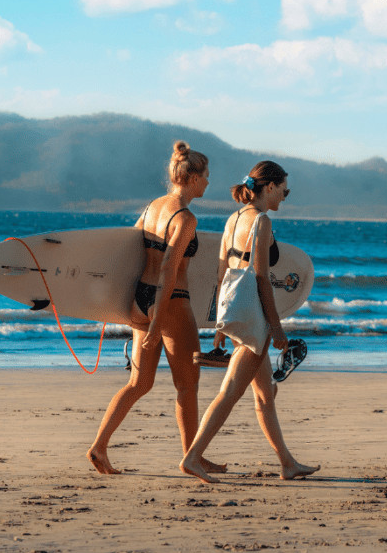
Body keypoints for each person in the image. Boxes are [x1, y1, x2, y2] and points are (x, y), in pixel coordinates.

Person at [87, 141, 223, 475]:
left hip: (140, 298)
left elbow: (128, 249)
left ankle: (99, 447)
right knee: (187, 385)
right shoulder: (185, 217)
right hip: (171, 303)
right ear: (191, 178)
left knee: (139, 383)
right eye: (205, 176)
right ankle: (192, 458)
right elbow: (168, 270)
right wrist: (159, 317)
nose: (208, 182)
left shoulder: (151, 208)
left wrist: (121, 303)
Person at [179, 160, 319, 483]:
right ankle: (192, 457)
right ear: (269, 187)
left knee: (265, 394)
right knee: (230, 391)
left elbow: (221, 272)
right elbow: (261, 278)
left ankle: (287, 463)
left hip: (234, 307)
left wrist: (219, 324)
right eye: (284, 190)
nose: (285, 196)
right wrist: (276, 326)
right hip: (254, 313)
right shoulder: (262, 222)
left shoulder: (234, 219)